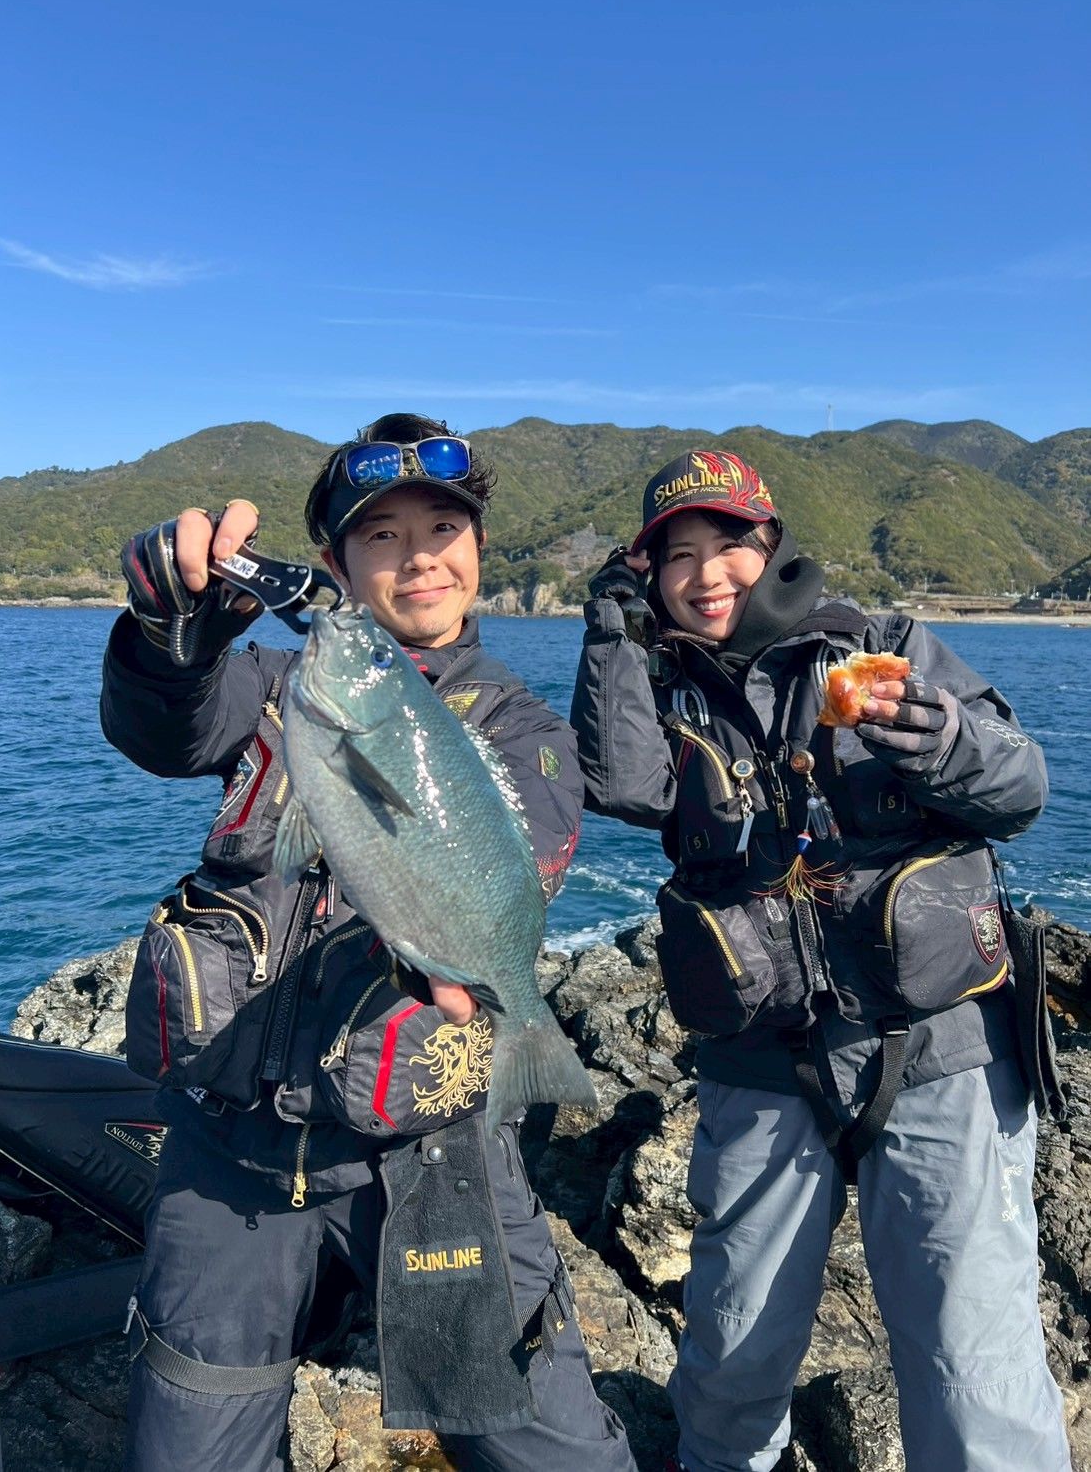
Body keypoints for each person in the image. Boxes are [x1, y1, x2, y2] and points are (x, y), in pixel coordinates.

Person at [102, 413, 637, 1472]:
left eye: (443, 528)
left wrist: (461, 963)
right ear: (337, 566)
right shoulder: (276, 684)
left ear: (478, 551)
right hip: (230, 1149)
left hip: (432, 1149)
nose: (419, 556)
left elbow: (517, 863)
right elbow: (166, 727)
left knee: (545, 1445)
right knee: (189, 1447)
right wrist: (170, 634)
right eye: (381, 536)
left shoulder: (524, 730)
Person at [571, 448, 1070, 1472]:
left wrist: (939, 738)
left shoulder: (884, 644)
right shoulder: (659, 683)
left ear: (773, 546)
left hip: (939, 1052)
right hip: (762, 1061)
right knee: (732, 1349)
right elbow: (621, 785)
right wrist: (610, 633)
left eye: (729, 545)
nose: (706, 574)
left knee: (973, 1361)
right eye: (677, 556)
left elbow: (1021, 789)